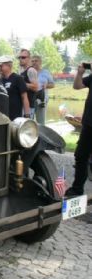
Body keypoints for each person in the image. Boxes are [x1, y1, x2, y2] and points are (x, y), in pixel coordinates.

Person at [65, 63, 92, 196]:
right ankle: (77, 190)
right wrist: (80, 73)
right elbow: (77, 86)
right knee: (81, 156)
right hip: (88, 124)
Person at [0, 55, 31, 120]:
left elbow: (24, 98)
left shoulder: (18, 79)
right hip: (1, 117)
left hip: (15, 117)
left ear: (9, 66)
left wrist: (27, 116)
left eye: (1, 66)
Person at [32, 55, 55, 125]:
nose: (34, 63)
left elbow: (53, 84)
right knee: (29, 121)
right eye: (32, 61)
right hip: (30, 99)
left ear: (40, 62)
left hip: (41, 100)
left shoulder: (46, 72)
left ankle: (40, 135)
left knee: (41, 122)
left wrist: (46, 85)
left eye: (36, 61)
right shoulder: (28, 72)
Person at [18, 49, 39, 119]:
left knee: (27, 128)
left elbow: (36, 87)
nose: (20, 59)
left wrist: (22, 84)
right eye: (19, 57)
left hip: (29, 106)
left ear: (29, 58)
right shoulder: (21, 70)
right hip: (21, 105)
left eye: (23, 57)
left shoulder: (31, 70)